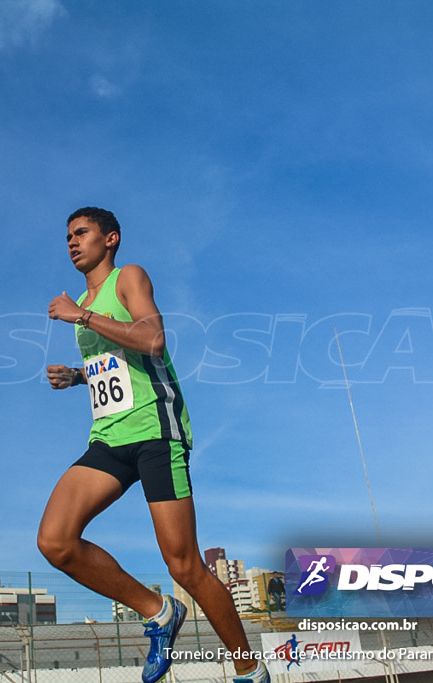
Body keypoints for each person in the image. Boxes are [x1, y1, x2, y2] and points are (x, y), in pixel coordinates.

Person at [38, 207, 270, 683]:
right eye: (67, 237)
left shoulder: (128, 278)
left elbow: (153, 338)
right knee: (56, 541)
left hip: (155, 433)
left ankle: (249, 669)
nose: (72, 243)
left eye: (81, 233)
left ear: (111, 238)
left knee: (185, 564)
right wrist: (80, 376)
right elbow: (119, 363)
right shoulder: (85, 302)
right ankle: (157, 610)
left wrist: (81, 314)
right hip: (108, 437)